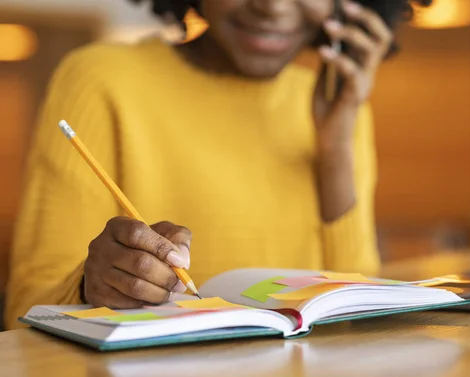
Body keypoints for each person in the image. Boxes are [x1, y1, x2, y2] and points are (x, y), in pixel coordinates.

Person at [4, 0, 429, 329]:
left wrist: (335, 145)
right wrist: (89, 287)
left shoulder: (338, 105)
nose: (273, 6)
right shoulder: (100, 81)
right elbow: (25, 310)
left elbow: (355, 318)